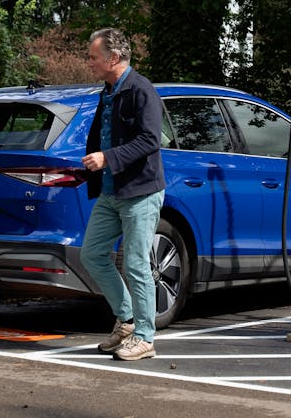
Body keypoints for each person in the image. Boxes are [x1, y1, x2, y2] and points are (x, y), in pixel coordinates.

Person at [79, 28, 166, 361]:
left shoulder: (141, 90)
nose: (90, 63)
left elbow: (149, 141)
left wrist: (107, 158)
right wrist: (92, 165)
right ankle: (127, 321)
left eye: (93, 57)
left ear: (113, 58)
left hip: (140, 192)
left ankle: (145, 337)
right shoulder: (108, 90)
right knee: (92, 254)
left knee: (135, 263)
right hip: (111, 191)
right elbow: (104, 135)